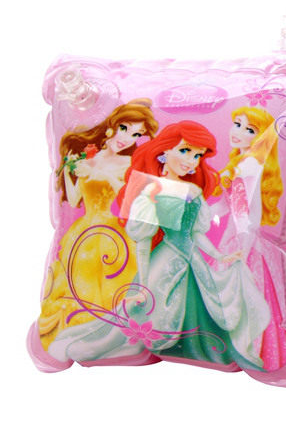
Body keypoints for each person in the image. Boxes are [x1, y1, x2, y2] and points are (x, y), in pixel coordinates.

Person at [49, 121, 270, 370]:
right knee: (154, 316)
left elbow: (196, 234)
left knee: (203, 310)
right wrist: (143, 285)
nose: (191, 160)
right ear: (165, 150)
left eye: (197, 155)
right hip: (165, 262)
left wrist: (219, 256)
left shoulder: (193, 191)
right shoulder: (149, 190)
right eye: (185, 151)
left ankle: (196, 349)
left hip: (194, 263)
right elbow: (143, 243)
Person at [39, 100, 158, 349]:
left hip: (112, 232)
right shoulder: (88, 158)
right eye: (125, 128)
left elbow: (126, 197)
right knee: (81, 280)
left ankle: (112, 335)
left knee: (112, 283)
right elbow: (75, 200)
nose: (127, 138)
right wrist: (69, 171)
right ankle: (83, 330)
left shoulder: (128, 164)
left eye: (136, 134)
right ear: (112, 126)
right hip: (83, 231)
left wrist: (101, 174)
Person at [214, 106, 286, 369]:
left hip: (241, 238)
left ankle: (244, 349)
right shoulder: (242, 161)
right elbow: (228, 206)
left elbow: (247, 211)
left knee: (240, 294)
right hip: (238, 235)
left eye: (249, 130)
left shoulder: (248, 165)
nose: (238, 132)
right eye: (237, 124)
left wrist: (242, 246)